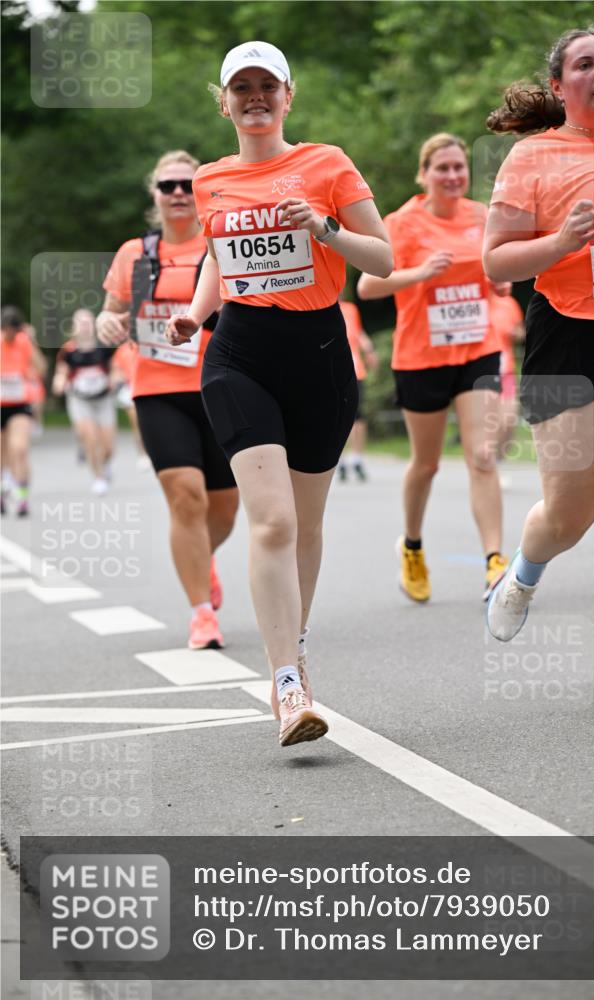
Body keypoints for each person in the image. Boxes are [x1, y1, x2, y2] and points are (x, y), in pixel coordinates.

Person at [165, 41, 392, 746]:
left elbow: (382, 257)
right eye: (242, 87)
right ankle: (287, 683)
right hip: (238, 355)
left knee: (306, 524)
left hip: (319, 355)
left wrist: (322, 228)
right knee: (271, 522)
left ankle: (294, 642)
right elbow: (217, 254)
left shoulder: (326, 163)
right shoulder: (209, 179)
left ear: (287, 96)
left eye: (267, 85)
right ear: (224, 100)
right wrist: (197, 312)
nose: (255, 97)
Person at [483, 26, 594, 703]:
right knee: (571, 510)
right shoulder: (533, 157)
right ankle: (524, 573)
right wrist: (559, 242)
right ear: (559, 87)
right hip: (567, 335)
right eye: (584, 64)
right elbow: (495, 260)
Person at [97, 150, 240, 650]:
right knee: (186, 496)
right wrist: (108, 324)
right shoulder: (133, 254)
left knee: (224, 509)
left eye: (186, 184)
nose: (178, 193)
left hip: (219, 386)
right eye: (167, 185)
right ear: (155, 195)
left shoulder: (221, 244)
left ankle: (202, 560)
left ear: (199, 192)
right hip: (157, 390)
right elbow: (109, 313)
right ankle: (202, 613)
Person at [357, 133, 509, 603]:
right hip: (421, 357)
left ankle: (495, 562)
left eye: (459, 167)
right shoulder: (402, 223)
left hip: (475, 350)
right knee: (425, 464)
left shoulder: (481, 217)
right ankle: (413, 546)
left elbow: (498, 275)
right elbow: (367, 287)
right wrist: (420, 274)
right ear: (424, 175)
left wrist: (500, 282)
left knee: (481, 455)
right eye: (442, 168)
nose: (452, 176)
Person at [52, 308, 117, 495]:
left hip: (103, 398)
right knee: (90, 438)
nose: (85, 326)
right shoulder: (68, 350)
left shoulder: (104, 347)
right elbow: (61, 373)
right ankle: (98, 477)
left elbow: (114, 369)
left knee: (108, 446)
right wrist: (59, 383)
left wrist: (114, 379)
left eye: (88, 322)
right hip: (80, 399)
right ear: (74, 327)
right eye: (81, 323)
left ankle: (104, 464)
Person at [1, 306, 47, 516]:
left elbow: (41, 368)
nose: (10, 335)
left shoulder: (24, 342)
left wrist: (33, 342)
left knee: (19, 449)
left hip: (20, 404)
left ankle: (22, 497)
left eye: (13, 330)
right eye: (6, 330)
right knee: (2, 454)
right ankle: (3, 492)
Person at [337, 296, 379, 482]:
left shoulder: (350, 309)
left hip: (355, 370)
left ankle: (357, 458)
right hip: (331, 371)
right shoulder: (319, 307)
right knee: (335, 418)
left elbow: (359, 332)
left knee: (358, 416)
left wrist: (369, 350)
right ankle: (340, 459)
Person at [489, 286, 525, 476]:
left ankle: (498, 460)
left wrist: (516, 333)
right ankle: (488, 468)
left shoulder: (509, 304)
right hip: (483, 373)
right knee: (490, 423)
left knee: (509, 421)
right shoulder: (478, 299)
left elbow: (521, 332)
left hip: (506, 372)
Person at [111, 340, 151, 469]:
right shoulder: (122, 350)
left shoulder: (149, 344)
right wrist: (117, 379)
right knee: (138, 424)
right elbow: (116, 370)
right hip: (130, 388)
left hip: (149, 386)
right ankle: (143, 454)